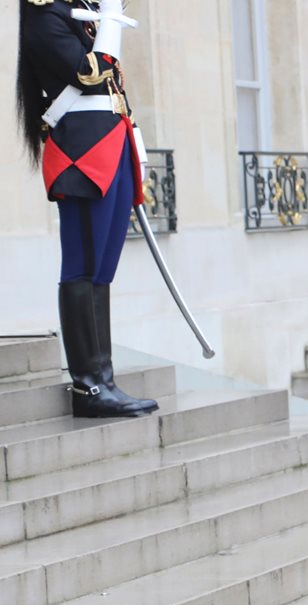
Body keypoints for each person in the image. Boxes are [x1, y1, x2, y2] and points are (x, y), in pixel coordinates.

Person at [16, 0, 158, 418]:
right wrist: (111, 17)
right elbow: (89, 71)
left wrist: (137, 145)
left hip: (112, 145)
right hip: (81, 153)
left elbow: (114, 88)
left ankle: (105, 377)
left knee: (103, 268)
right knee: (84, 264)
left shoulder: (81, 11)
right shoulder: (45, 15)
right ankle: (89, 386)